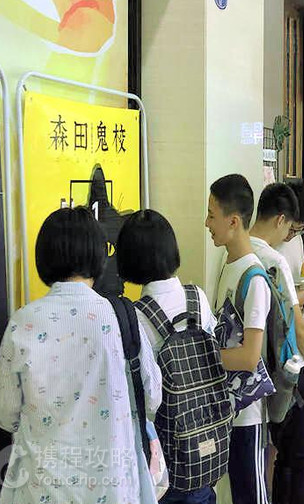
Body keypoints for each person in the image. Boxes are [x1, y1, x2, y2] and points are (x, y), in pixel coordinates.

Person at [0, 207, 162, 504]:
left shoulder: (23, 323)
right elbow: (151, 397)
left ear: (44, 257)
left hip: (42, 489)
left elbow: (4, 413)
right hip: (113, 487)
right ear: (98, 255)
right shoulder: (122, 318)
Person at [117, 209, 221, 504]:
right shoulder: (198, 297)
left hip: (165, 450)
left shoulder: (136, 317)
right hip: (207, 438)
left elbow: (144, 396)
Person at [249, 183, 304, 504]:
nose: (291, 236)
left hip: (262, 376)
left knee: (281, 459)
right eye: (292, 229)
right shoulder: (272, 259)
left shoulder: (239, 254)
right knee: (299, 460)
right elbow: (298, 325)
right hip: (291, 371)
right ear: (281, 219)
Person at [206, 174, 272, 504]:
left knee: (251, 495)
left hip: (248, 415)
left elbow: (249, 357)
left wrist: (204, 357)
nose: (207, 223)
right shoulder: (228, 263)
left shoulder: (253, 278)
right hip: (227, 409)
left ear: (233, 221)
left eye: (211, 215)